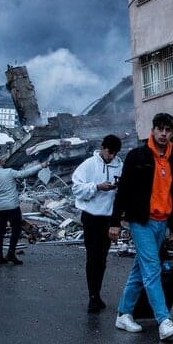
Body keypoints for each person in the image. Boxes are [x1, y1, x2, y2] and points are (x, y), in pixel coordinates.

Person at [111, 112, 173, 340]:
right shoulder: (137, 156)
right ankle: (164, 320)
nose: (164, 134)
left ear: (172, 132)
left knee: (139, 270)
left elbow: (171, 193)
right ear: (152, 130)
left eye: (168, 130)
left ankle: (123, 314)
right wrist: (114, 222)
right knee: (152, 269)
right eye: (160, 129)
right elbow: (123, 191)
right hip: (141, 221)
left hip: (161, 223)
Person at [72, 134, 123, 313]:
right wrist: (97, 187)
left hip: (108, 219)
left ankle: (97, 293)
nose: (111, 156)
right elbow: (76, 188)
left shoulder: (119, 166)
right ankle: (92, 296)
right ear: (102, 148)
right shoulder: (88, 165)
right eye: (110, 152)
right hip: (91, 217)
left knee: (102, 258)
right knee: (92, 257)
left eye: (115, 153)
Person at [0, 156, 47, 265]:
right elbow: (24, 173)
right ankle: (11, 254)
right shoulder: (9, 172)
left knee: (0, 232)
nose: (3, 161)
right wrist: (40, 166)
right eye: (2, 160)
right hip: (13, 207)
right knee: (16, 230)